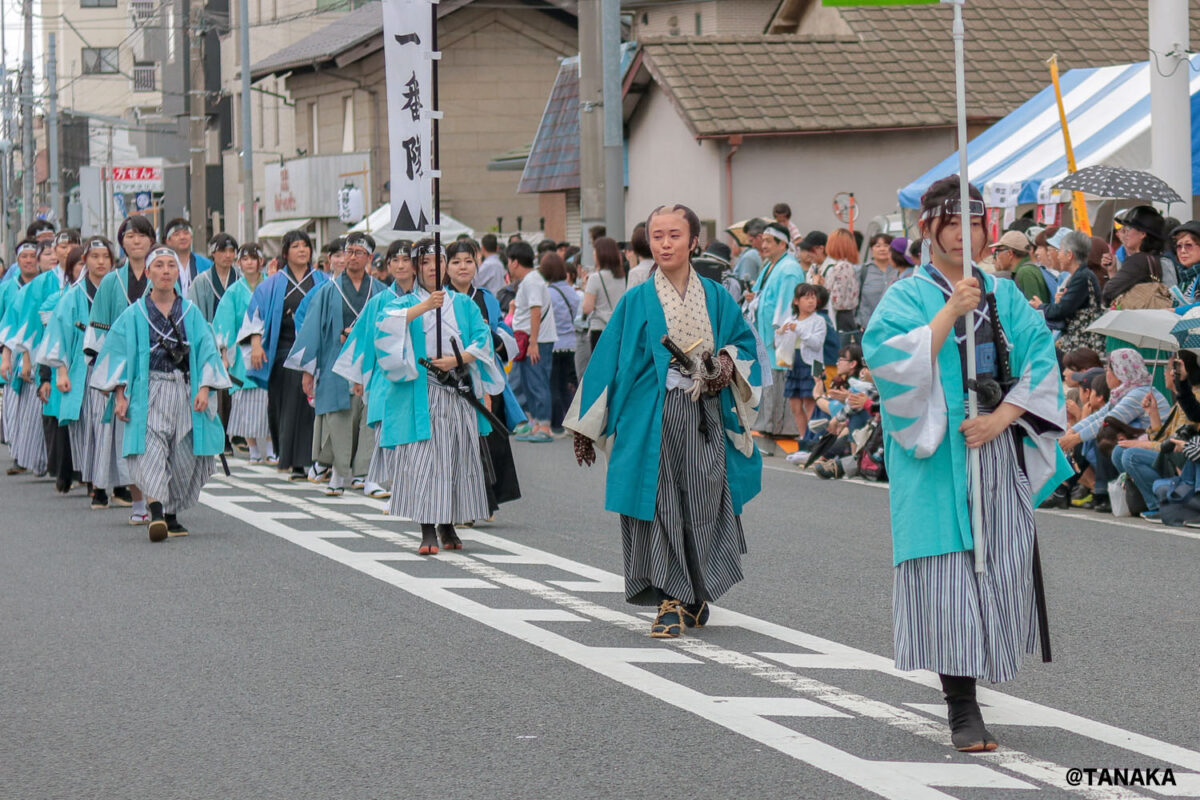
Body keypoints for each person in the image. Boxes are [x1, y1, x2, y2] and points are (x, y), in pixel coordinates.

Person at [863, 176, 1073, 752]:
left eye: (974, 222)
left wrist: (1002, 419)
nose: (963, 232)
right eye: (950, 221)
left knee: (997, 566)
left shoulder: (1003, 295)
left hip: (994, 442)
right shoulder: (906, 296)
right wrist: (947, 315)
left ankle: (982, 672)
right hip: (936, 447)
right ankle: (962, 704)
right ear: (927, 227)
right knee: (948, 575)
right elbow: (888, 363)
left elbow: (1041, 364)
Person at [566, 203, 763, 639]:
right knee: (658, 505)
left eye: (675, 235)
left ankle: (696, 592)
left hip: (704, 412)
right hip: (648, 416)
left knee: (704, 499)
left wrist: (725, 365)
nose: (665, 243)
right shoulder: (637, 299)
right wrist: (586, 425)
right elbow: (608, 362)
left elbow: (745, 345)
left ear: (693, 240)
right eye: (657, 236)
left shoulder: (716, 296)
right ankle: (670, 601)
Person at [340, 237, 504, 555]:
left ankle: (449, 522)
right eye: (426, 263)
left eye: (438, 262)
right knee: (424, 462)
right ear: (417, 268)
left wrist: (459, 359)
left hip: (456, 390)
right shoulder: (403, 304)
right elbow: (384, 330)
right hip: (421, 392)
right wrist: (424, 307)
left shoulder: (464, 305)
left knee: (456, 459)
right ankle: (427, 527)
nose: (433, 269)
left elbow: (484, 340)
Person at [91, 246, 230, 541]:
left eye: (170, 266)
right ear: (149, 273)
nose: (166, 271)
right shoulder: (134, 314)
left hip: (184, 390)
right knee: (150, 451)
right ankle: (156, 514)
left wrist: (204, 388)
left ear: (177, 273)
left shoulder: (191, 313)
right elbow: (117, 355)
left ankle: (171, 514)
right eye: (159, 266)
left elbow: (207, 352)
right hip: (147, 391)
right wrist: (119, 394)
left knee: (182, 455)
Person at [285, 231, 382, 496]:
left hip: (370, 364)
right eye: (347, 252)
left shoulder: (380, 291)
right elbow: (312, 331)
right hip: (334, 361)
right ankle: (338, 474)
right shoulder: (328, 291)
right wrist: (308, 371)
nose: (351, 257)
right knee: (338, 418)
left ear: (369, 258)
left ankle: (368, 475)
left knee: (369, 419)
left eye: (358, 252)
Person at [442, 238, 525, 516]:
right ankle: (461, 503)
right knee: (457, 443)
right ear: (446, 267)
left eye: (468, 261)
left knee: (488, 442)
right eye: (456, 262)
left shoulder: (487, 297)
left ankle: (484, 500)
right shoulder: (439, 298)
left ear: (477, 264)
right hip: (451, 380)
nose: (463, 267)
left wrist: (494, 337)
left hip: (487, 380)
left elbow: (504, 334)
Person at [38, 237, 122, 507]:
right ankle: (97, 484)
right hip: (85, 370)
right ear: (85, 260)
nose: (100, 262)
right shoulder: (73, 295)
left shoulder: (119, 290)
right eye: (94, 256)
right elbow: (58, 334)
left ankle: (119, 483)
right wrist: (60, 371)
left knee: (118, 426)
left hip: (118, 368)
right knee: (93, 428)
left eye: (105, 257)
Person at [240, 230, 329, 481]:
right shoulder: (272, 283)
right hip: (283, 348)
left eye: (306, 246)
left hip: (315, 349)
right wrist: (256, 344)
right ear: (286, 252)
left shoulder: (322, 280)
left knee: (309, 404)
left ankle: (309, 459)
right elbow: (254, 316)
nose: (302, 250)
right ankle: (293, 458)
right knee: (287, 401)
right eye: (296, 246)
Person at [1056, 349, 1169, 513]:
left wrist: (1074, 438)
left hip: (1156, 448)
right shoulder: (1125, 393)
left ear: (1121, 372)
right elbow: (1099, 417)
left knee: (1114, 445)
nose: (1107, 374)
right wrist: (1072, 431)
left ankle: (1154, 504)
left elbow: (1107, 421)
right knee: (1116, 448)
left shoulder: (1139, 393)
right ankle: (1137, 499)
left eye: (1110, 370)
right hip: (1142, 443)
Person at [213, 243, 272, 465]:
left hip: (267, 349)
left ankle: (270, 445)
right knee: (245, 403)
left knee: (267, 400)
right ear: (239, 263)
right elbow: (224, 323)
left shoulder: (270, 285)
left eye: (253, 258)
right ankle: (253, 447)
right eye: (245, 259)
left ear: (261, 261)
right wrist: (224, 354)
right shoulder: (234, 291)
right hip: (241, 352)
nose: (249, 263)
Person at [747, 221, 806, 441]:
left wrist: (780, 333)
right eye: (763, 240)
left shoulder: (789, 269)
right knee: (770, 379)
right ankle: (771, 424)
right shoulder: (770, 265)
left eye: (769, 241)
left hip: (779, 336)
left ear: (783, 244)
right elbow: (762, 293)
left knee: (779, 380)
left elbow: (786, 306)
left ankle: (780, 426)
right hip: (766, 336)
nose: (764, 245)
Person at [508, 240, 557, 442]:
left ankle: (544, 425)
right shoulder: (531, 280)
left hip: (536, 340)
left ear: (515, 262)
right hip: (531, 339)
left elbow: (535, 311)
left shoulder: (532, 281)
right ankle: (537, 423)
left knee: (537, 382)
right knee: (530, 383)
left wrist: (534, 342)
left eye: (509, 262)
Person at [0, 240, 40, 469]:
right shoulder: (6, 289)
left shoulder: (45, 285)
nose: (28, 260)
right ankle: (19, 453)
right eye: (24, 257)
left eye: (32, 256)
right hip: (13, 350)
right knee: (15, 405)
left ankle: (37, 456)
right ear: (18, 261)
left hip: (39, 348)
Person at [775, 283, 825, 451]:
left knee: (811, 403)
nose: (811, 301)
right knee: (795, 405)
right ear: (796, 301)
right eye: (806, 297)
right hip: (794, 364)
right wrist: (781, 333)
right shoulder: (790, 320)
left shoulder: (819, 321)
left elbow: (817, 344)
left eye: (813, 297)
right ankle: (804, 438)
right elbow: (779, 345)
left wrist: (800, 331)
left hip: (811, 365)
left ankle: (813, 440)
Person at [1037, 230, 1104, 352]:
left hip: (1081, 344)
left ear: (1069, 255)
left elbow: (1061, 310)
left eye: (1060, 251)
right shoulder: (1079, 276)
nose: (1058, 256)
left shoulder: (1082, 277)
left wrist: (1040, 306)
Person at [542, 252, 579, 435]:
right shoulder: (572, 291)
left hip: (554, 344)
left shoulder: (547, 293)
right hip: (571, 343)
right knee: (566, 384)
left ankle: (556, 424)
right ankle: (571, 423)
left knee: (553, 384)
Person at [1103, 206, 1172, 305]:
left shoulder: (1137, 261)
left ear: (1142, 234)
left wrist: (1112, 274)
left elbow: (1109, 292)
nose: (1125, 234)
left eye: (1128, 229)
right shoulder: (1165, 261)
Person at [582, 236, 627, 353]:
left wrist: (584, 288)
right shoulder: (623, 276)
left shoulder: (595, 278)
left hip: (600, 329)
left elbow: (587, 308)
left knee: (601, 367)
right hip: (619, 328)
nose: (593, 254)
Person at [188, 233, 241, 323]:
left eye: (231, 251)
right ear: (213, 253)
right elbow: (195, 316)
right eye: (223, 251)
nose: (228, 255)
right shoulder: (201, 282)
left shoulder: (240, 279)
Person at [856, 233, 901, 329]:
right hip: (868, 325)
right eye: (878, 246)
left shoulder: (898, 270)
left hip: (894, 325)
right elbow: (856, 297)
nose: (882, 249)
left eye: (886, 245)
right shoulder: (864, 270)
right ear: (872, 249)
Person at [162, 218, 213, 297]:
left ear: (191, 238)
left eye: (186, 233)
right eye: (176, 234)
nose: (182, 237)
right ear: (168, 241)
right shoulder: (161, 266)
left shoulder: (206, 264)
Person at [822, 229, 860, 332]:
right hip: (844, 316)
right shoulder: (846, 265)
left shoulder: (842, 267)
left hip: (838, 318)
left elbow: (837, 300)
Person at [1170, 220, 1200, 299]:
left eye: (1188, 245)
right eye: (1179, 246)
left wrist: (1176, 310)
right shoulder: (1184, 277)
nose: (1183, 251)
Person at [733, 218, 766, 286]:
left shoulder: (750, 256)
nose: (752, 246)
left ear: (760, 237)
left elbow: (745, 286)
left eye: (751, 241)